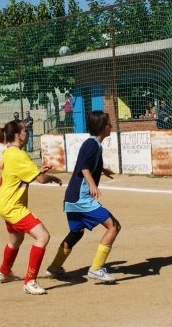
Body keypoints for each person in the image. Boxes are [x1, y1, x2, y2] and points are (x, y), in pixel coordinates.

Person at [45, 111, 121, 283]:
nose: (111, 126)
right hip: (81, 197)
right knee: (114, 226)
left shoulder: (94, 144)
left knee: (76, 232)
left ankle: (54, 268)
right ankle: (96, 269)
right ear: (102, 127)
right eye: (109, 123)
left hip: (72, 197)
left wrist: (102, 169)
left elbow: (87, 162)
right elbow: (83, 166)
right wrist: (93, 184)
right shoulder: (92, 144)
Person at [0, 120, 63, 295]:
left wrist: (39, 171)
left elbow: (23, 174)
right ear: (18, 135)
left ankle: (4, 272)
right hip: (13, 206)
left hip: (3, 203)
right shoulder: (19, 155)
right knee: (43, 236)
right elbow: (39, 179)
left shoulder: (9, 152)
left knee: (15, 240)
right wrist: (52, 178)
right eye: (25, 130)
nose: (27, 133)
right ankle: (30, 281)